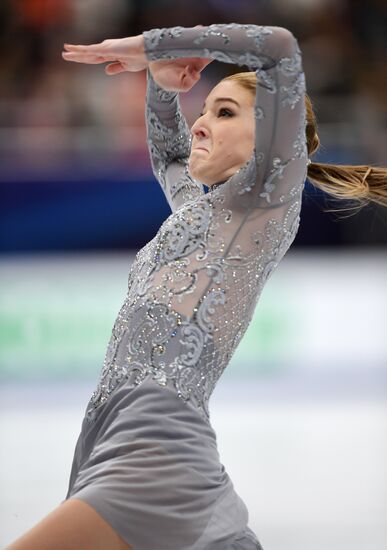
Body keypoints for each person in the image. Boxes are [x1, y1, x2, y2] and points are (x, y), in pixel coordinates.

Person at [7, 23, 386, 550]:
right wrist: (163, 85)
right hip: (113, 436)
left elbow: (278, 47)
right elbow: (167, 154)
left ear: (275, 137)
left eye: (224, 112)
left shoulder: (264, 202)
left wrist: (154, 47)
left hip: (153, 450)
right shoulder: (200, 212)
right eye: (204, 110)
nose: (201, 123)